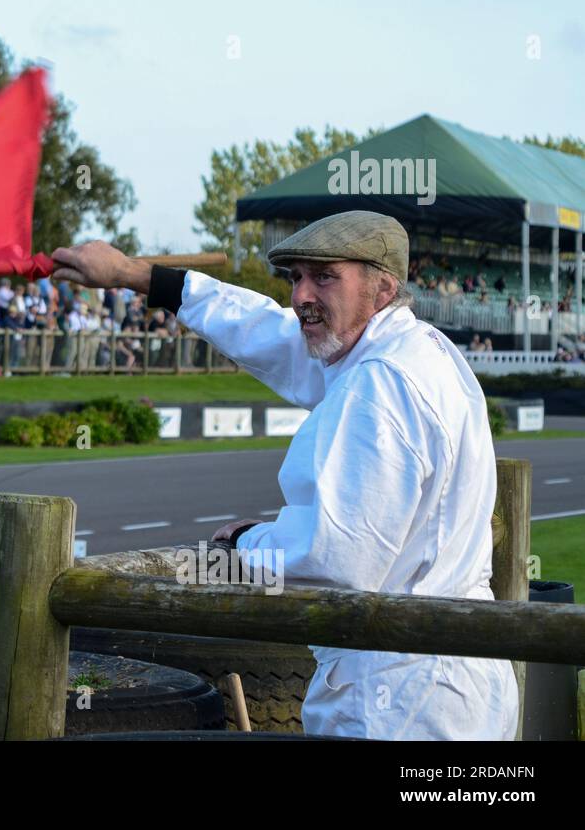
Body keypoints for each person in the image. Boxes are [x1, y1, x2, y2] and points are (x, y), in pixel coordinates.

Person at [52, 210, 517, 741]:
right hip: (453, 677)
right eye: (296, 276)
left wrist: (251, 543)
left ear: (382, 289)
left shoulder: (382, 384)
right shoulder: (414, 349)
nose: (300, 296)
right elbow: (266, 331)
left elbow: (336, 558)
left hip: (400, 699)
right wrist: (138, 275)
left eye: (324, 276)